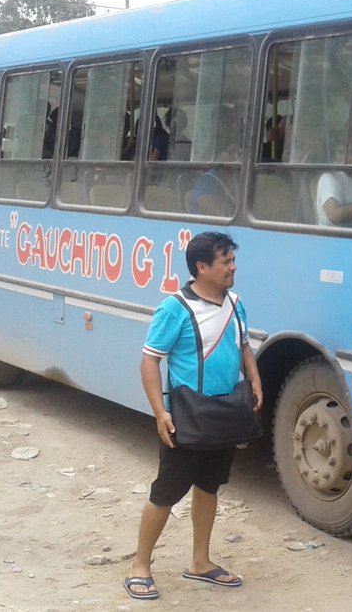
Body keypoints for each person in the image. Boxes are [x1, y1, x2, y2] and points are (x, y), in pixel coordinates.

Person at [125, 232, 263, 601]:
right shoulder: (175, 308)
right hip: (188, 417)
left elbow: (245, 345)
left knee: (209, 487)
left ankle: (200, 562)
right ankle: (140, 565)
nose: (233, 267)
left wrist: (255, 378)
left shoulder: (236, 303)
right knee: (166, 492)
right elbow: (150, 360)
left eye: (233, 260)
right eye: (226, 262)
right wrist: (160, 412)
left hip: (225, 416)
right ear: (201, 267)